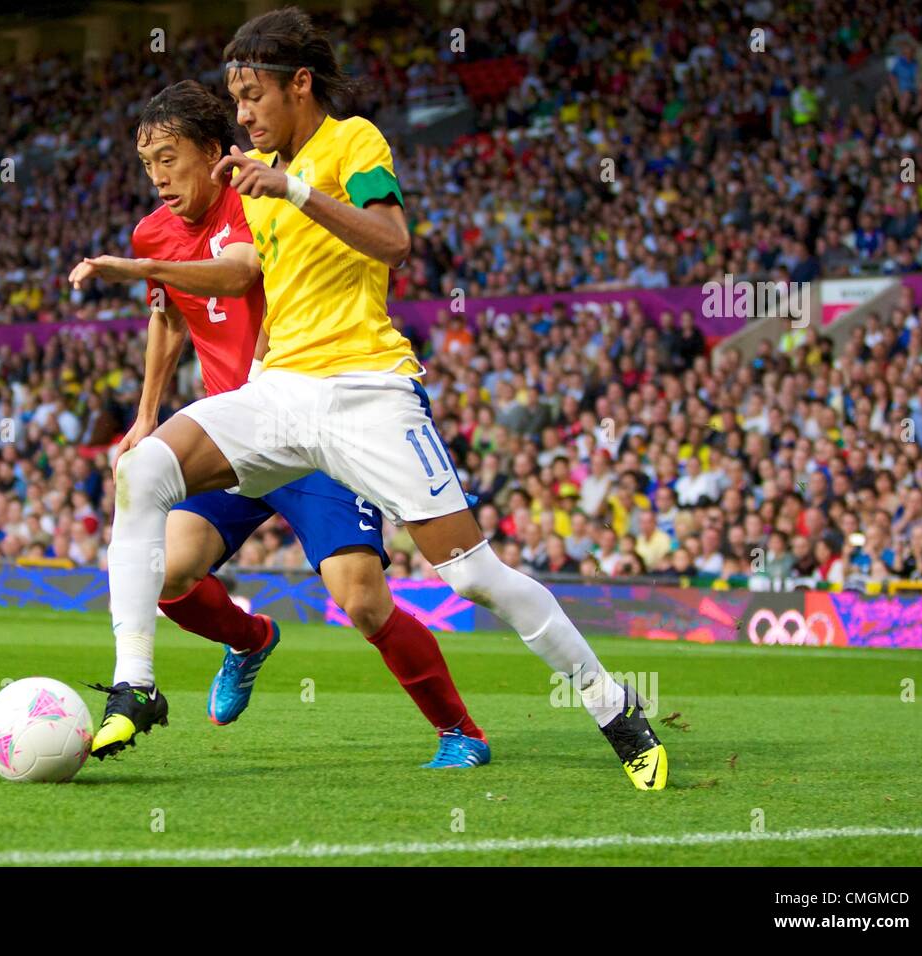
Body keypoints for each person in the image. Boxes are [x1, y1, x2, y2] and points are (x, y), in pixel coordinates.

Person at [73, 7, 665, 789]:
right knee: (141, 468)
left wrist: (291, 187)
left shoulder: (355, 143)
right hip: (277, 392)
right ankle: (137, 685)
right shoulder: (249, 178)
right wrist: (152, 276)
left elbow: (394, 241)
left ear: (300, 85)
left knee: (472, 576)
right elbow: (239, 271)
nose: (243, 115)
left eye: (252, 97)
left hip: (366, 392)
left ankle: (612, 705)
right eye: (235, 101)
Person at [70, 80, 486, 768]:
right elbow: (170, 317)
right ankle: (250, 639)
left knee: (362, 600)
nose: (161, 178)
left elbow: (236, 277)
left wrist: (143, 267)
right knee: (167, 572)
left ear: (213, 151)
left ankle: (460, 729)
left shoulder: (259, 195)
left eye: (171, 159)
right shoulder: (154, 229)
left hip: (312, 423)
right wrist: (147, 414)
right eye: (149, 166)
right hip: (232, 437)